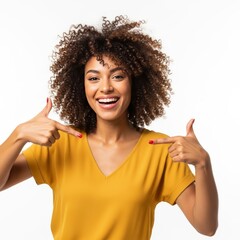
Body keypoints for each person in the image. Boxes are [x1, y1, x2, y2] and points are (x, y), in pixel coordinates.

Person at [0, 15, 218, 239]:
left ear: (134, 82)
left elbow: (207, 226)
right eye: (94, 78)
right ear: (80, 85)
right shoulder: (61, 143)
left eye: (117, 76)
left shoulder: (159, 150)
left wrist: (203, 164)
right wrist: (19, 135)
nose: (105, 87)